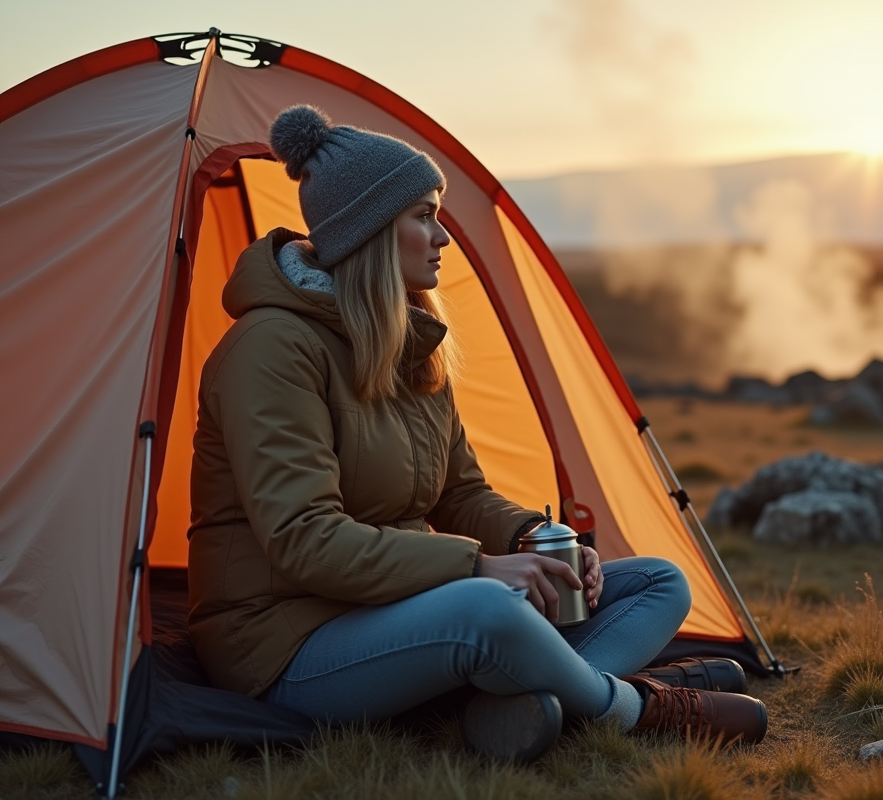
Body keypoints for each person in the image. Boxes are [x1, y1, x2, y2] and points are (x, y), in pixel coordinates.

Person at [186, 105, 767, 761]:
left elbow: (460, 494)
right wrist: (480, 566)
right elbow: (303, 541)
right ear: (371, 230)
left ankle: (534, 701)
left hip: (397, 610)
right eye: (423, 215)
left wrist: (534, 540)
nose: (443, 238)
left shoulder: (411, 343)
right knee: (488, 607)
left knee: (659, 582)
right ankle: (629, 707)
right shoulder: (271, 349)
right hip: (284, 644)